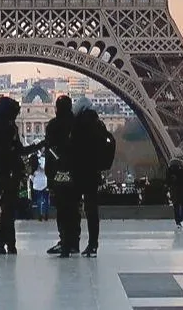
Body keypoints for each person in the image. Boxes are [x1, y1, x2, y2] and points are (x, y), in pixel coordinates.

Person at [0, 97, 34, 256]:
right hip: (11, 174)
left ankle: (4, 242)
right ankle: (7, 243)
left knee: (5, 210)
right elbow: (20, 151)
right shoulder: (11, 130)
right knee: (8, 210)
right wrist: (40, 145)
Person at [43, 95, 82, 256]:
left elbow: (49, 151)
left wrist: (49, 175)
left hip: (59, 173)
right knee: (74, 209)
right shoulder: (77, 124)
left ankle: (64, 241)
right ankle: (74, 242)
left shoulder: (53, 125)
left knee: (62, 209)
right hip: (76, 173)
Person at [73, 106, 115, 256]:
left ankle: (72, 241)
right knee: (92, 211)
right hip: (93, 173)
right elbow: (110, 143)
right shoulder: (99, 129)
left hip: (78, 173)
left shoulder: (78, 127)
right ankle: (93, 244)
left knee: (74, 208)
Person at [167, 155, 183, 227]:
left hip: (174, 190)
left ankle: (178, 221)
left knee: (176, 206)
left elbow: (168, 181)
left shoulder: (170, 170)